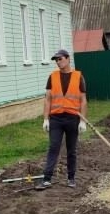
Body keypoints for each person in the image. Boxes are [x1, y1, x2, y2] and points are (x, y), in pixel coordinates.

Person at [36, 49, 87, 190]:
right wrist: (46, 119)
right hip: (56, 119)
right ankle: (46, 179)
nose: (58, 62)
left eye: (60, 59)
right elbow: (48, 99)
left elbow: (83, 100)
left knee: (72, 150)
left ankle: (71, 178)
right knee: (53, 147)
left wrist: (82, 121)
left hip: (72, 118)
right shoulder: (52, 77)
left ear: (67, 59)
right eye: (56, 60)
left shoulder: (78, 77)